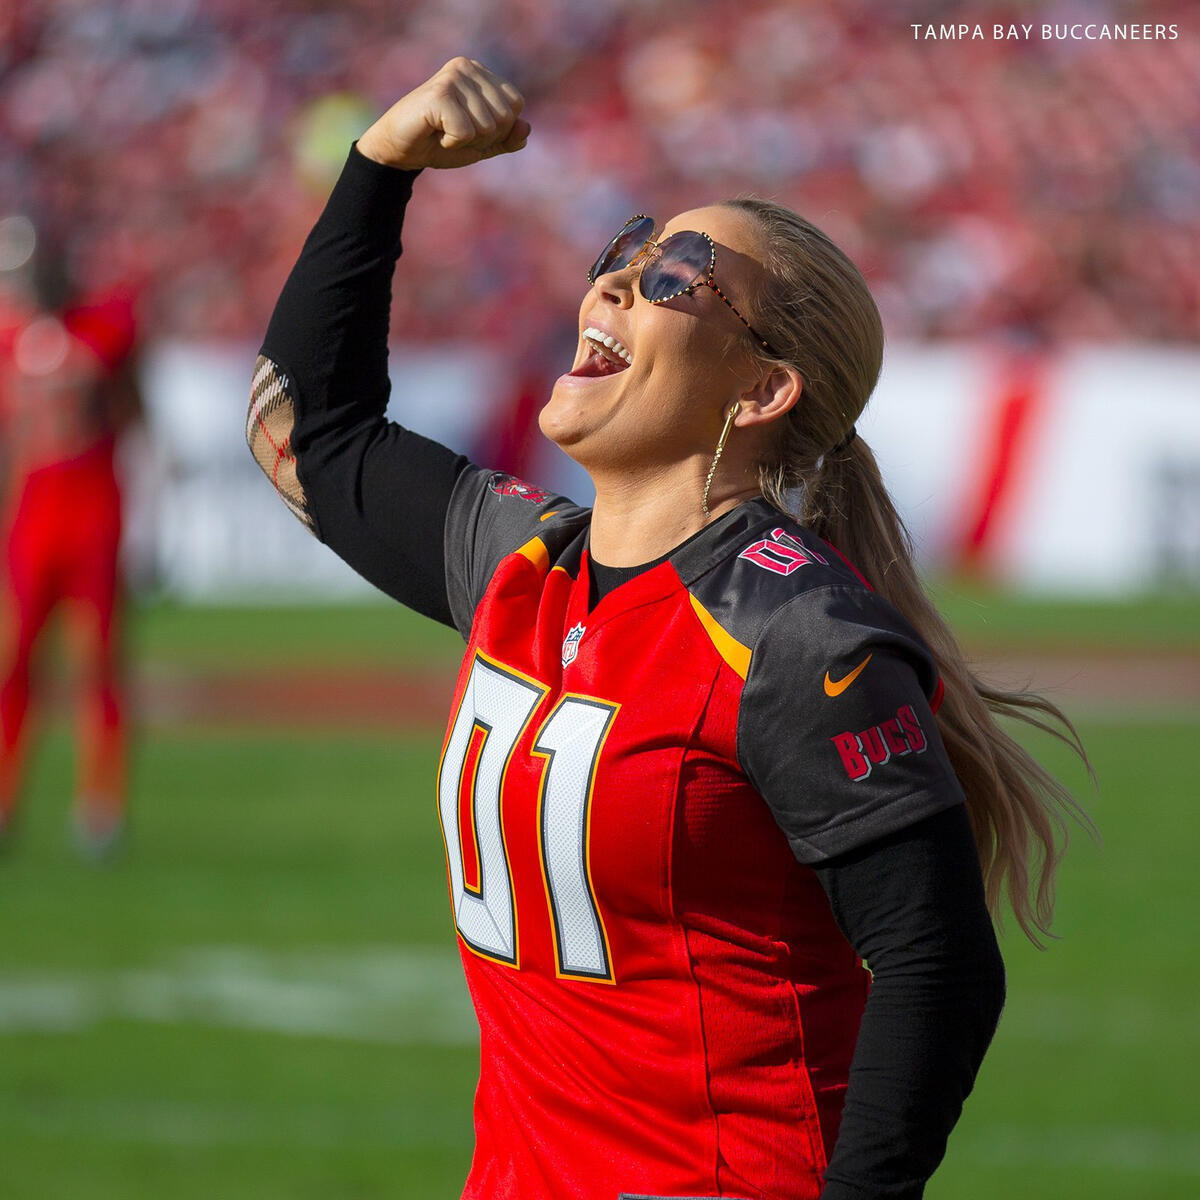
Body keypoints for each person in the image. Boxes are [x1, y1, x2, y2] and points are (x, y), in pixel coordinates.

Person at [249, 59, 1088, 1200]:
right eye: (626, 253)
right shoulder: (524, 565)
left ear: (762, 391)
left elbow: (937, 963)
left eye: (677, 275)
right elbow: (305, 427)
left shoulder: (796, 633)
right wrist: (380, 166)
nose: (613, 288)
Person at [0, 216, 141, 857]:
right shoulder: (11, 337)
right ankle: (7, 798)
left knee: (98, 664)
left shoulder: (105, 330)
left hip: (92, 514)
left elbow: (135, 412)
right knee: (15, 664)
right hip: (32, 518)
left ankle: (99, 805)